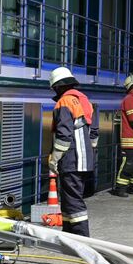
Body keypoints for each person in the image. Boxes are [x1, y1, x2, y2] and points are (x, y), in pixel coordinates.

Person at [48, 67, 99, 236]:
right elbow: (94, 133)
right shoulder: (85, 101)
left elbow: (63, 136)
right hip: (85, 160)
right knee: (70, 199)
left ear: (57, 86)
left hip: (71, 159)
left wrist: (54, 159)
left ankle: (82, 238)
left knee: (74, 202)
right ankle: (69, 234)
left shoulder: (64, 102)